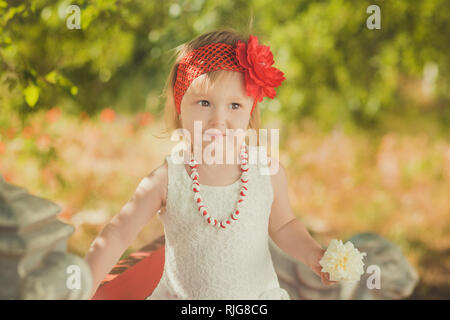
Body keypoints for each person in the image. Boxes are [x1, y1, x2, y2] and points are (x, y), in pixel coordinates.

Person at [85, 28, 336, 300]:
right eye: (204, 102)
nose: (219, 120)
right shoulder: (169, 178)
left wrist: (314, 254)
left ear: (251, 111)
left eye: (235, 106)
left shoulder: (267, 171)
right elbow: (118, 234)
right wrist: (80, 286)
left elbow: (284, 225)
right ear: (180, 108)